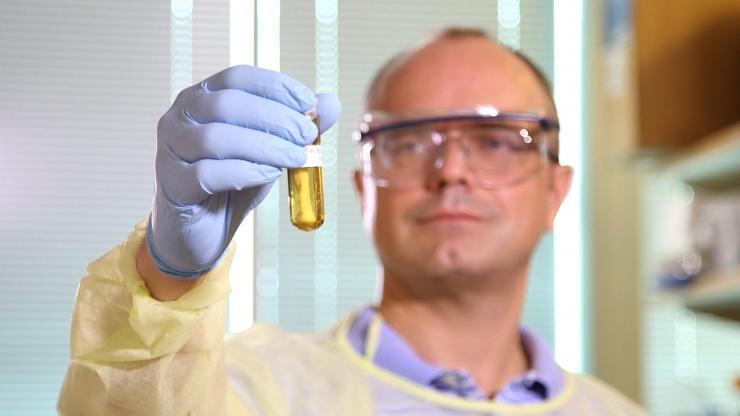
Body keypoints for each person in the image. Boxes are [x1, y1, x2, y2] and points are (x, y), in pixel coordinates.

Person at [58, 27, 646, 415]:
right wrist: (169, 277)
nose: (452, 171)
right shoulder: (253, 389)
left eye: (497, 140)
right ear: (364, 189)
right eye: (411, 141)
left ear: (555, 192)